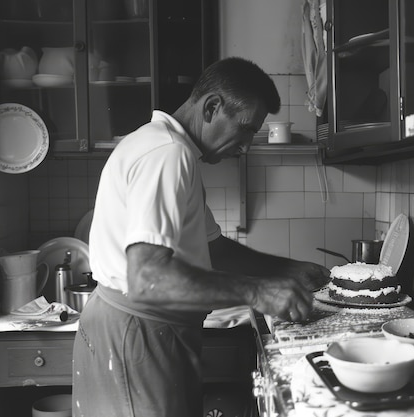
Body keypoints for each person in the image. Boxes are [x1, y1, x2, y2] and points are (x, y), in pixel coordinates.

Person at [72, 57, 331, 417]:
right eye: (244, 130)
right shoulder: (167, 153)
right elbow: (148, 278)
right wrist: (257, 292)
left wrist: (288, 269)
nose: (245, 146)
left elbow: (214, 249)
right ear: (211, 107)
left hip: (145, 332)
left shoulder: (172, 151)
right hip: (139, 333)